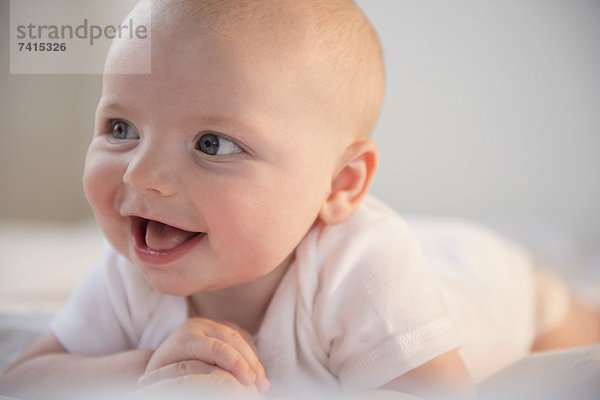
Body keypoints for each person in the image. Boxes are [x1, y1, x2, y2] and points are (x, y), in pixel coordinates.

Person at [1, 0, 598, 399]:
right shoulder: (131, 269)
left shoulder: (363, 270)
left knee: (559, 313)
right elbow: (28, 378)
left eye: (212, 143)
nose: (144, 174)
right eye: (121, 128)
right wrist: (145, 365)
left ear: (340, 185)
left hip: (480, 279)